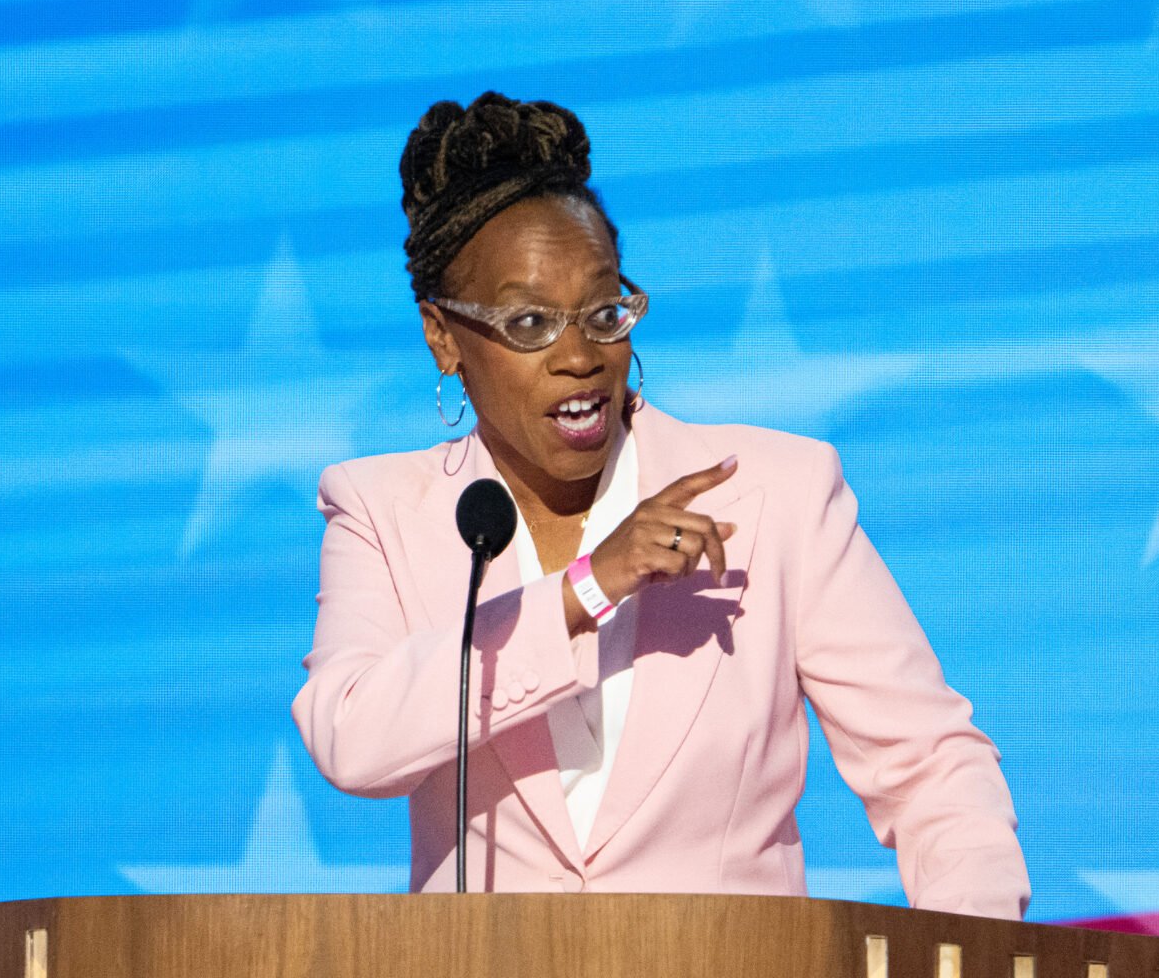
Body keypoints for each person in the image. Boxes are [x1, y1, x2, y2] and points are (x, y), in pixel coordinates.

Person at [291, 92, 1030, 917]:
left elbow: (931, 767)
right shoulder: (385, 509)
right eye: (531, 321)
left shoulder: (775, 495)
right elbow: (351, 740)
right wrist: (584, 589)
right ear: (443, 335)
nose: (579, 355)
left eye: (604, 311)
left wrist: (975, 951)